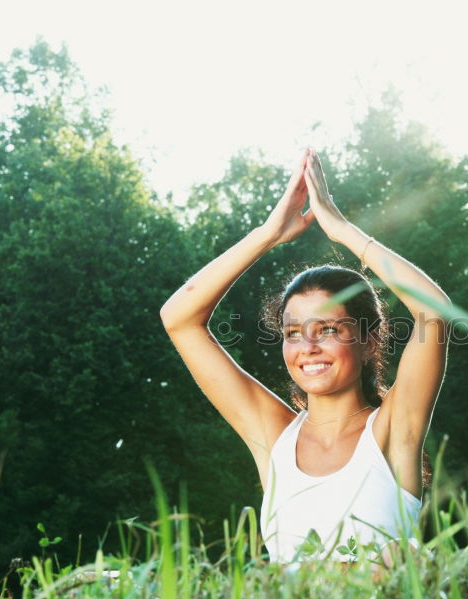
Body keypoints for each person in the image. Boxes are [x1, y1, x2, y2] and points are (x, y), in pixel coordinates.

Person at [160, 148, 450, 574]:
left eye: (328, 330)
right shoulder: (272, 435)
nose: (308, 346)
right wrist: (266, 234)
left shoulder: (392, 431)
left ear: (370, 342)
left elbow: (434, 312)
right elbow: (179, 319)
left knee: (398, 560)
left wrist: (342, 228)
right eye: (293, 333)